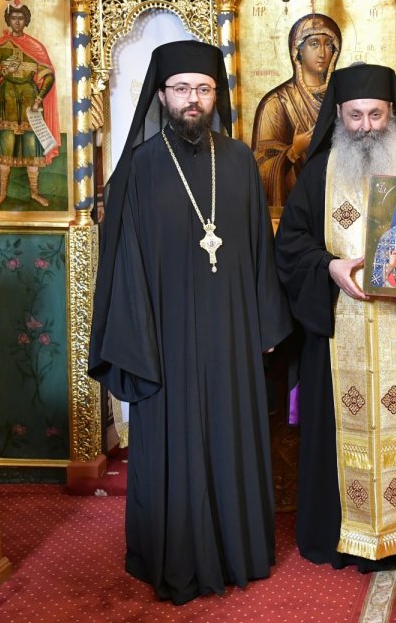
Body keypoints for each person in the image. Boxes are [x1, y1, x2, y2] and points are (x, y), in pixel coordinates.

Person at [87, 40, 292, 604]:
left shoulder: (241, 161)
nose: (193, 100)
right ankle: (176, 558)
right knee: (175, 443)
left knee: (232, 434)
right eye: (181, 90)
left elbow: (257, 249)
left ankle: (238, 552)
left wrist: (263, 326)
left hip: (230, 335)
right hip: (166, 337)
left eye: (203, 89)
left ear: (215, 96)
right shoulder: (141, 168)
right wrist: (139, 338)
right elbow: (123, 264)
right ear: (161, 95)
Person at [274, 63, 396, 572]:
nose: (364, 126)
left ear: (391, 115)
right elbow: (290, 247)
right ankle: (344, 534)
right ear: (338, 115)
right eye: (354, 115)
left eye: (375, 115)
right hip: (340, 334)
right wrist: (329, 267)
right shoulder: (317, 174)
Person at [251, 13, 342, 208]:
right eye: (314, 44)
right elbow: (261, 167)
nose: (322, 53)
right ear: (298, 51)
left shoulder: (343, 99)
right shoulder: (277, 102)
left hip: (339, 204)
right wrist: (293, 151)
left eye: (328, 44)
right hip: (295, 207)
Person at [0, 2, 61, 209]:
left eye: (21, 18)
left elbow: (49, 76)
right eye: (13, 18)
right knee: (5, 148)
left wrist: (38, 99)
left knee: (32, 149)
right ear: (8, 20)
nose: (17, 22)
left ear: (26, 21)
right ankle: (2, 195)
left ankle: (35, 193)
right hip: (6, 99)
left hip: (29, 101)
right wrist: (3, 73)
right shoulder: (1, 47)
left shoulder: (35, 48)